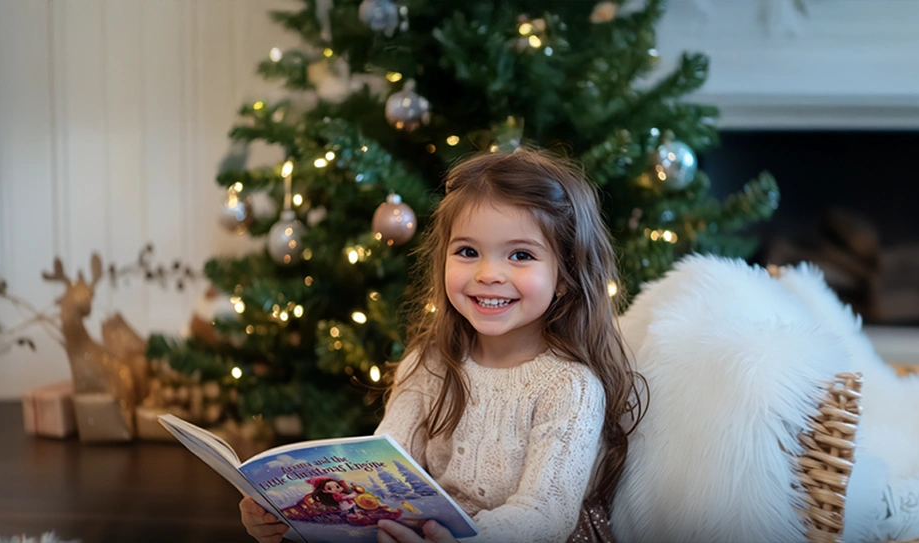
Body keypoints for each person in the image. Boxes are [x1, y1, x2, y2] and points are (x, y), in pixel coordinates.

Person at [241, 148, 645, 543]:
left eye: (520, 255)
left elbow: (545, 515)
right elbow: (381, 468)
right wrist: (286, 516)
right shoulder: (429, 363)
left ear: (564, 276)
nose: (489, 274)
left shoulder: (569, 386)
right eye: (468, 251)